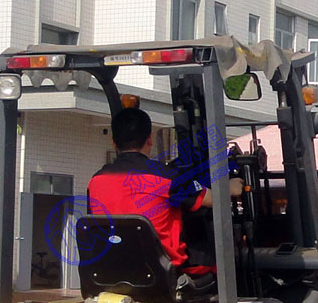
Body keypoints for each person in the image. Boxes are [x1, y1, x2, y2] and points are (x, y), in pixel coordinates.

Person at [88, 107, 241, 273]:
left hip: (110, 269)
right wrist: (230, 187)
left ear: (113, 142)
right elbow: (212, 199)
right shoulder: (167, 177)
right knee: (214, 259)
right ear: (149, 140)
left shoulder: (95, 181)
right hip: (161, 272)